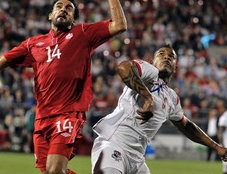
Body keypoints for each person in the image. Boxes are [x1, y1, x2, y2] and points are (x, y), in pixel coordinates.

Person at [0, 0, 127, 174]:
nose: (63, 10)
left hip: (68, 113)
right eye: (59, 7)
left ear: (73, 18)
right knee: (48, 171)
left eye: (69, 9)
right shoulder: (33, 44)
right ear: (50, 15)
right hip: (42, 118)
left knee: (55, 170)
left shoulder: (83, 34)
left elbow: (119, 25)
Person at [91, 44, 227, 174]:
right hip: (114, 145)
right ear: (152, 61)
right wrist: (147, 97)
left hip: (137, 160)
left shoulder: (172, 98)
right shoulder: (149, 71)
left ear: (175, 68)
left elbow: (186, 126)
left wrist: (216, 147)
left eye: (171, 56)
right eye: (161, 54)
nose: (166, 57)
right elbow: (123, 68)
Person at [218, 107, 227, 174]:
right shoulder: (223, 117)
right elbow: (220, 132)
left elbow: (220, 132)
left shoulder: (223, 117)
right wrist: (222, 144)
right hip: (225, 141)